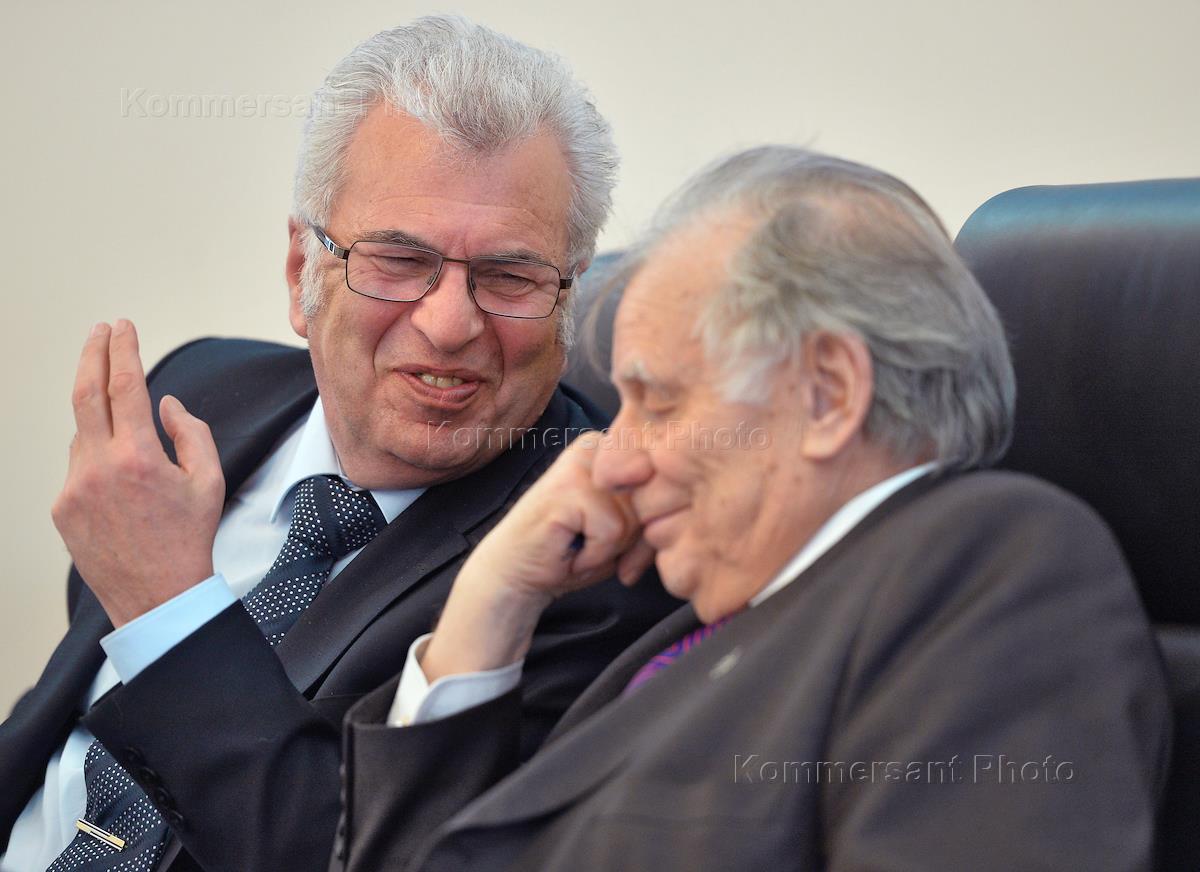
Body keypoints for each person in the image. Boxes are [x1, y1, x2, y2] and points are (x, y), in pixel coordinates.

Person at [336, 146, 1171, 871]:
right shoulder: (682, 636)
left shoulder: (995, 570)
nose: (609, 461)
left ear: (828, 394)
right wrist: (489, 603)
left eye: (658, 402)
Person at [0, 16, 679, 872]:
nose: (450, 324)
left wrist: (168, 611)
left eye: (509, 276)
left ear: (568, 298)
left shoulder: (598, 564)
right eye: (398, 260)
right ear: (301, 273)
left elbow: (367, 856)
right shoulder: (196, 396)